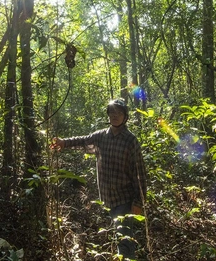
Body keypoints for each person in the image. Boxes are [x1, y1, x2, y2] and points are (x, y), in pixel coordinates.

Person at [52, 99, 147, 259]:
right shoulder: (101, 136)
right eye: (112, 112)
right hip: (107, 197)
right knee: (117, 236)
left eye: (119, 113)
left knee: (124, 240)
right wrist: (63, 143)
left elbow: (140, 173)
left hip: (124, 198)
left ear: (125, 116)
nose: (115, 116)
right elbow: (82, 141)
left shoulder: (131, 141)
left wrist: (138, 201)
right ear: (108, 115)